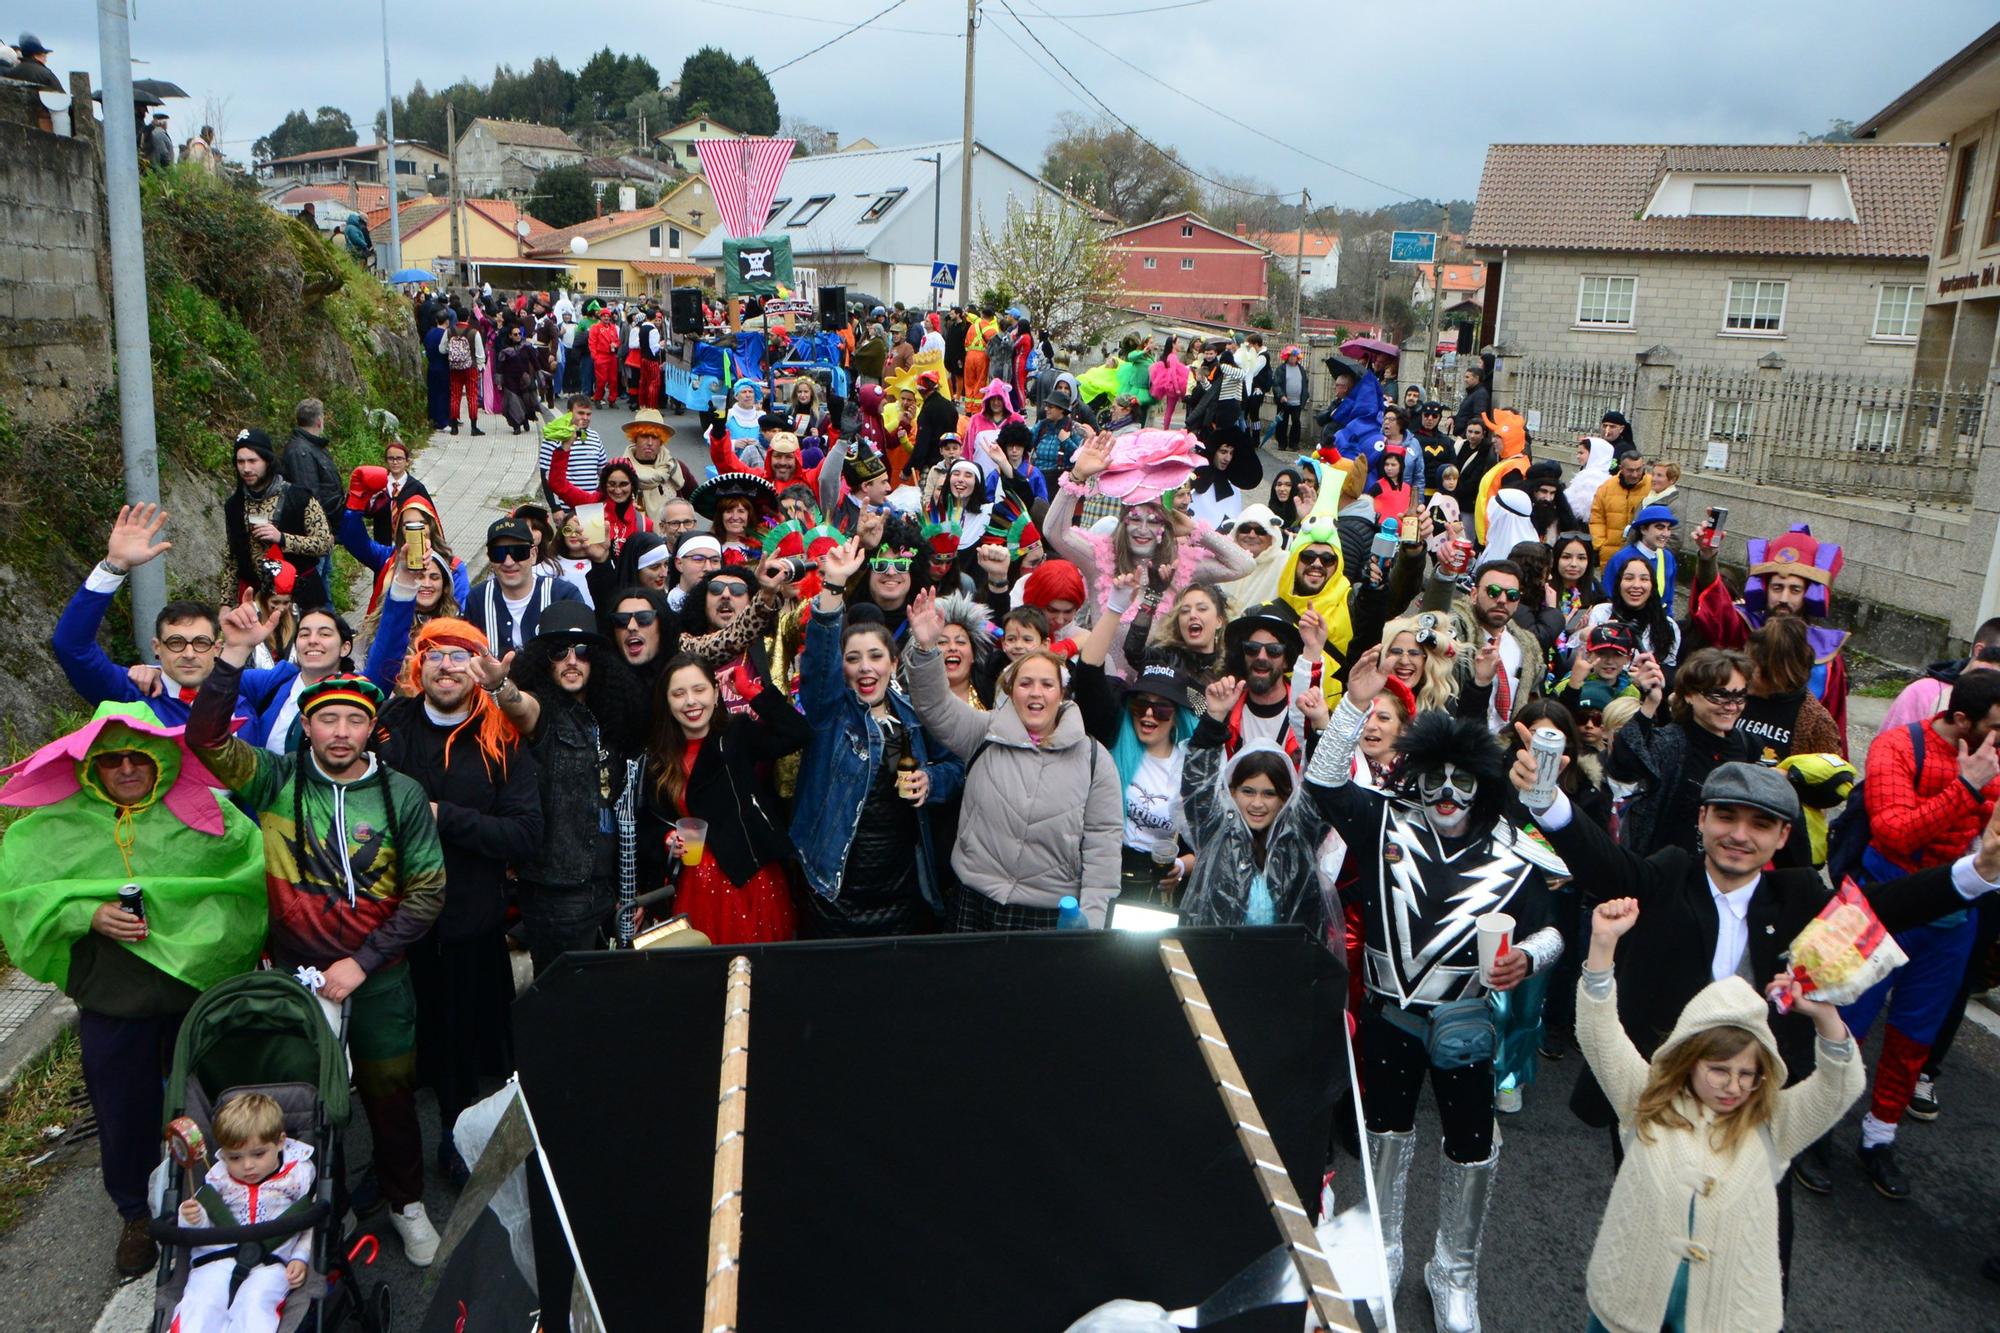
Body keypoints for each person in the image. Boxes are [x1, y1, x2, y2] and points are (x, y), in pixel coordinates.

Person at [1516, 751, 2000, 1282]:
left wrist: (1977, 872)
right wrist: (1548, 801)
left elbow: (1884, 907)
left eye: (1760, 823)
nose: (1739, 834)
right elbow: (1605, 864)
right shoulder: (1668, 875)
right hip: (1657, 1094)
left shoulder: (1798, 897)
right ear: (1702, 820)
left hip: (1754, 1100)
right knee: (1649, 1241)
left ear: (1782, 835)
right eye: (1726, 816)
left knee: (1755, 1255)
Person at [1304, 648, 1563, 1333]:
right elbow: (1324, 782)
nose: (1447, 794)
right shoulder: (1382, 821)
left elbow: (1551, 929)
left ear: (1484, 783)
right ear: (1415, 777)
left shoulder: (1514, 848)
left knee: (1472, 1145)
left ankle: (1454, 1269)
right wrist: (1353, 704)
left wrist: (1527, 960)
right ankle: (1382, 1252)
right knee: (1384, 1135)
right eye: (1435, 780)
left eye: (1462, 782)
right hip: (1392, 1013)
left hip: (1465, 1018)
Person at [187, 608, 447, 1266]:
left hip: (380, 975)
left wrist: (362, 962)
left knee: (389, 1095)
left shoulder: (403, 794)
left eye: (353, 719)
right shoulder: (276, 779)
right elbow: (205, 736)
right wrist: (234, 655)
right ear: (306, 726)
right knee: (303, 1096)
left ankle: (406, 1202)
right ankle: (297, 1212)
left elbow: (427, 891)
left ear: (372, 729)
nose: (339, 731)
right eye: (326, 718)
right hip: (296, 978)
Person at [0, 702, 266, 1277]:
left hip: (195, 992)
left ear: (161, 761)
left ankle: (232, 1193)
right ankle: (137, 1216)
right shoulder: (53, 828)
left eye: (138, 757)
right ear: (92, 767)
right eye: (112, 759)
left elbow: (246, 882)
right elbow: (22, 898)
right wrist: (85, 912)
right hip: (112, 999)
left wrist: (198, 938)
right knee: (122, 1111)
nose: (125, 769)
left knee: (216, 1097)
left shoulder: (210, 815)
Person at [1574, 898, 1860, 1333]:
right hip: (1626, 1311)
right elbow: (1598, 1032)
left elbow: (1841, 1086)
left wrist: (1825, 1014)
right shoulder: (1646, 1097)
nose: (1734, 1086)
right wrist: (1602, 944)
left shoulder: (1774, 1121)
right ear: (1689, 1059)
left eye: (1748, 1073)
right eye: (1719, 1070)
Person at [374, 618, 540, 1179]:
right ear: (419, 665)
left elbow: (524, 833)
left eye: (461, 656)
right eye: (436, 655)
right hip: (393, 916)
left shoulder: (501, 736)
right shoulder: (389, 727)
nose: (447, 666)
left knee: (465, 1039)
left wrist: (450, 819)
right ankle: (389, 1155)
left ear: (479, 669)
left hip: (470, 915)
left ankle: (458, 1135)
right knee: (400, 1040)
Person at [1835, 668, 2000, 1200]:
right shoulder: (1896, 747)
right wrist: (1967, 786)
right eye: (1995, 727)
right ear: (1960, 720)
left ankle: (1879, 1138)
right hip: (1880, 905)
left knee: (1913, 1038)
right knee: (1844, 1024)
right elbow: (1894, 832)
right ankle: (1811, 1126)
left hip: (1952, 922)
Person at [905, 588, 1122, 928]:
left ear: (1062, 693)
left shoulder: (1094, 759)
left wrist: (1090, 925)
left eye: (1047, 684)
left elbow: (1103, 845)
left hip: (1047, 912)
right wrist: (925, 648)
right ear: (1010, 689)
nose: (1036, 692)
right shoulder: (984, 731)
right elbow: (935, 707)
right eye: (1026, 683)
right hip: (974, 900)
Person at [791, 539, 966, 935]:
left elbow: (957, 766)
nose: (865, 667)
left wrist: (930, 781)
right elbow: (819, 668)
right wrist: (833, 588)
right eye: (853, 658)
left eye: (875, 656)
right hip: (833, 884)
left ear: (892, 662)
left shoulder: (914, 715)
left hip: (901, 885)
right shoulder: (830, 711)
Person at [474, 601, 648, 971]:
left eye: (582, 651)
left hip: (605, 886)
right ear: (544, 660)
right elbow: (521, 708)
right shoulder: (546, 713)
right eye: (559, 652)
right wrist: (501, 687)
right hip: (557, 890)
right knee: (565, 1002)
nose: (572, 660)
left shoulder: (607, 715)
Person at [644, 644, 811, 946]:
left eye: (699, 689)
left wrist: (752, 692)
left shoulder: (736, 735)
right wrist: (667, 839)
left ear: (716, 692)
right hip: (693, 882)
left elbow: (798, 733)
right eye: (679, 693)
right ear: (666, 702)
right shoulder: (658, 759)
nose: (691, 701)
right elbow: (650, 823)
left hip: (749, 878)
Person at [54, 505, 277, 730]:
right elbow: (72, 647)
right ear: (157, 647)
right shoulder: (132, 694)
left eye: (200, 643)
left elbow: (304, 677)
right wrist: (114, 565)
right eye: (176, 643)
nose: (189, 654)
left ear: (217, 648)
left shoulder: (246, 704)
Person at [1178, 674, 1334, 932]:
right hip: (1220, 964)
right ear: (1232, 791)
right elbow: (1197, 784)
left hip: (1288, 967)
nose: (1257, 803)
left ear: (1285, 796)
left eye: (1269, 794)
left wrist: (1320, 727)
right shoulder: (1215, 830)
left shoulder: (1298, 836)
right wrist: (1214, 717)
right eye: (1248, 791)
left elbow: (1322, 793)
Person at [1690, 523, 1852, 756]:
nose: (1783, 598)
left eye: (1795, 590)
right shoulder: (1745, 630)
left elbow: (1834, 727)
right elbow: (1715, 610)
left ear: (1808, 594)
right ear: (1765, 589)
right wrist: (1707, 557)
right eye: (1777, 588)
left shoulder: (1827, 657)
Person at [172, 1093, 317, 1333]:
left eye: (258, 1154)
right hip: (217, 1258)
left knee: (254, 1307)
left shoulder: (298, 1175)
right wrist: (194, 1217)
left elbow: (309, 1220)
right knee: (200, 1305)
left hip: (270, 1260)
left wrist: (300, 1257)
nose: (247, 1165)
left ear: (280, 1142)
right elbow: (203, 1229)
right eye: (235, 1157)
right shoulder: (217, 1178)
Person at [1424, 558, 1541, 734]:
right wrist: (1446, 573)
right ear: (1473, 595)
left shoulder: (1527, 647)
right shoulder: (1453, 633)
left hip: (1505, 747)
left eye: (1512, 595)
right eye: (1493, 592)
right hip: (1454, 737)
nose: (1502, 600)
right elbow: (1428, 621)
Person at [225, 428, 332, 610]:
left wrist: (282, 538)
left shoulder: (300, 497)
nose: (246, 468)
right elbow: (232, 557)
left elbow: (325, 543)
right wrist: (226, 603)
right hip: (256, 600)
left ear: (267, 460)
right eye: (240, 461)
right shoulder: (234, 505)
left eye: (253, 461)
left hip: (301, 597)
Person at [462, 515, 588, 652]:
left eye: (518, 552)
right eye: (498, 554)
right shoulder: (477, 599)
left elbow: (583, 652)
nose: (508, 562)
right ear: (489, 558)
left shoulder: (562, 595)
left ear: (533, 555)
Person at [1739, 616, 1844, 764]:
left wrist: (1791, 775)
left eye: (1751, 665)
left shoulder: (1816, 722)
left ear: (1776, 672)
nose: (1743, 671)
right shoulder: (1733, 699)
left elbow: (1832, 775)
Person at [1590, 546, 1682, 672]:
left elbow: (1669, 672)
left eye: (1644, 579)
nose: (1636, 585)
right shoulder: (1601, 614)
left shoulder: (1668, 626)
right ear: (1618, 584)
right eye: (1628, 578)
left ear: (1652, 586)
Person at [1603, 502, 1679, 614]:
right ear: (1643, 529)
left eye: (1668, 528)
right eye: (1660, 527)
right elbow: (1608, 597)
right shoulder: (1621, 558)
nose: (1666, 534)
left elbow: (1668, 599)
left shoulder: (1668, 557)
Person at [1588, 452, 1652, 568]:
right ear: (1621, 468)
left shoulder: (1652, 487)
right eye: (1630, 470)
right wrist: (1600, 544)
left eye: (1639, 469)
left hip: (1642, 555)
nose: (1635, 474)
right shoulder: (1606, 488)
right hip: (1610, 555)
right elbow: (1596, 518)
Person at [1564, 436, 1616, 525]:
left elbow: (1577, 509)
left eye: (1581, 453)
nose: (1578, 456)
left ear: (1594, 454)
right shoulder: (1608, 478)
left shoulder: (1590, 478)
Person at [1271, 346, 1310, 451]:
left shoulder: (1301, 369)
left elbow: (1305, 383)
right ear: (1286, 357)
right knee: (1282, 423)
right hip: (1284, 402)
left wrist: (1305, 396)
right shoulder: (1281, 369)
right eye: (1291, 356)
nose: (1293, 358)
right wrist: (1281, 395)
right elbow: (1276, 384)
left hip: (1297, 402)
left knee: (1296, 422)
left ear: (1298, 357)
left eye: (1295, 356)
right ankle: (1282, 443)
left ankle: (1294, 444)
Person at [1451, 354, 1493, 438]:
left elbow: (1478, 418)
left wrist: (1468, 435)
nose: (1465, 380)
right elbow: (1465, 413)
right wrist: (1452, 418)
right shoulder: (1473, 392)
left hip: (1468, 437)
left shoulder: (1480, 394)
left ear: (1476, 378)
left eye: (1467, 377)